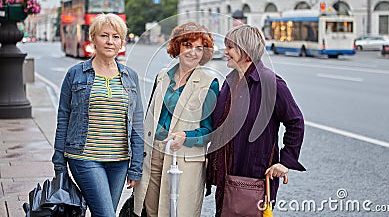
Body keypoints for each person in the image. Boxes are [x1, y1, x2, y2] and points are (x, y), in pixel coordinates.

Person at [206, 24, 306, 217]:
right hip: (227, 174)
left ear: (245, 51)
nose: (224, 51)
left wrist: (286, 161)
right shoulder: (230, 81)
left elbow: (295, 121)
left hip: (254, 177)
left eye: (230, 48)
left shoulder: (271, 83)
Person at [52, 13, 144, 217]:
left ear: (122, 41)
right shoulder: (76, 74)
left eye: (116, 36)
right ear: (93, 38)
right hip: (84, 157)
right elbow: (63, 118)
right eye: (104, 35)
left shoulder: (130, 77)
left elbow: (137, 123)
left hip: (119, 161)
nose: (110, 41)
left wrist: (136, 166)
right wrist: (59, 163)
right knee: (106, 215)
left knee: (103, 213)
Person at [134, 22, 219, 217]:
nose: (193, 53)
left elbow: (210, 130)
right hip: (153, 156)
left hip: (182, 159)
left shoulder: (210, 84)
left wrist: (185, 136)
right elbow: (149, 119)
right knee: (151, 211)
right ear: (177, 46)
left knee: (178, 212)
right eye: (188, 45)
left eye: (199, 48)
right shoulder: (162, 76)